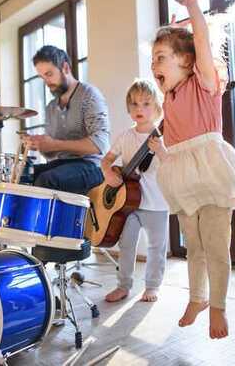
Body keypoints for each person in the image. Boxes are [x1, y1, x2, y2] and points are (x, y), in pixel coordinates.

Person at [147, 0, 235, 339]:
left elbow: (201, 43)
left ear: (186, 62)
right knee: (194, 245)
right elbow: (170, 146)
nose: (153, 65)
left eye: (160, 57)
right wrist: (160, 150)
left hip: (211, 170)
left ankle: (217, 306)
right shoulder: (168, 99)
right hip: (183, 175)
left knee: (216, 245)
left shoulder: (204, 85)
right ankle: (198, 298)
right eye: (152, 59)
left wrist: (192, 7)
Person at [101, 79, 169, 303]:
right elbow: (108, 159)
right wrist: (108, 172)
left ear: (157, 107)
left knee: (156, 247)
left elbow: (171, 164)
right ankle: (123, 285)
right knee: (127, 244)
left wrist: (160, 150)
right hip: (129, 204)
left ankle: (152, 286)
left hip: (157, 203)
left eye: (146, 104)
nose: (139, 109)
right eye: (134, 104)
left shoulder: (163, 136)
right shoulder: (125, 136)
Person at [24, 45, 110, 195]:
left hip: (92, 165)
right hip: (64, 165)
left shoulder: (89, 95)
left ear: (65, 67)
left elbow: (100, 144)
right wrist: (40, 144)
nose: (47, 82)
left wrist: (54, 144)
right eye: (42, 77)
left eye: (49, 74)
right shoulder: (51, 107)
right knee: (24, 176)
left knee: (46, 180)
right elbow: (51, 153)